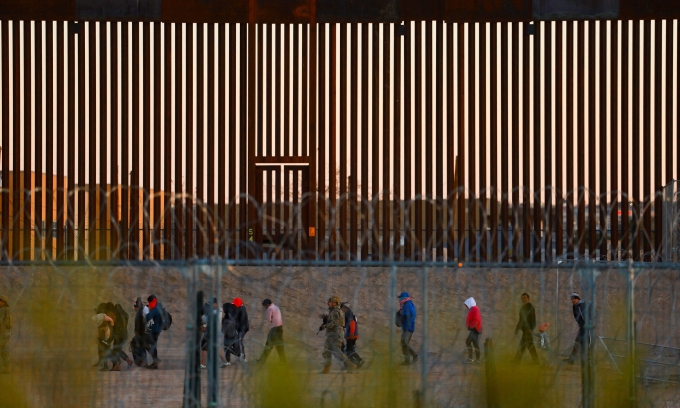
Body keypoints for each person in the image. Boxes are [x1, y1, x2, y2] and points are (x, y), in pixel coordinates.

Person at [319, 296, 356, 374]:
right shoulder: (334, 311)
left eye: (330, 302)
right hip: (332, 334)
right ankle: (326, 368)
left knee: (337, 352)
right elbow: (331, 321)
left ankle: (350, 365)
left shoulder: (336, 311)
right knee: (327, 350)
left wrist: (324, 326)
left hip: (336, 334)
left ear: (335, 303)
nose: (329, 304)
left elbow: (334, 323)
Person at [563, 293, 592, 365]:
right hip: (582, 327)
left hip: (586, 327)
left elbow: (585, 315)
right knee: (577, 342)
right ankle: (572, 359)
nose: (572, 300)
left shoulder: (581, 305)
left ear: (577, 298)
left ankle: (588, 360)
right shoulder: (575, 306)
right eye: (571, 299)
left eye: (574, 299)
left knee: (587, 343)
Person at [255, 299, 286, 364]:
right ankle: (283, 361)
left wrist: (272, 321)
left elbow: (269, 319)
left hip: (274, 329)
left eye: (265, 306)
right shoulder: (276, 307)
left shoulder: (270, 308)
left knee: (268, 345)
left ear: (268, 304)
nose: (265, 308)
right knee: (280, 346)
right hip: (280, 328)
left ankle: (262, 360)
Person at [514, 293, 539, 365]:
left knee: (528, 346)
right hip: (525, 329)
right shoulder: (522, 308)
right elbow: (521, 319)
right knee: (523, 345)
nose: (523, 299)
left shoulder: (530, 307)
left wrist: (530, 329)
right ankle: (517, 360)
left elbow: (533, 320)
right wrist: (517, 328)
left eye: (525, 298)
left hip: (528, 330)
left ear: (528, 299)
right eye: (522, 298)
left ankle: (536, 362)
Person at [109, 304, 133, 371]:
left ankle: (118, 365)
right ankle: (126, 361)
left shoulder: (117, 315)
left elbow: (116, 327)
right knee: (117, 349)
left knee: (116, 349)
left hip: (118, 335)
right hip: (125, 334)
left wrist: (112, 337)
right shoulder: (125, 314)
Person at [340, 302, 364, 368]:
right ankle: (358, 362)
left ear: (345, 308)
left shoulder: (349, 314)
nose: (341, 310)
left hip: (351, 336)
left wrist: (352, 332)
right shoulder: (348, 314)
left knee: (349, 351)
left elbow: (352, 323)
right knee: (350, 351)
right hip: (351, 335)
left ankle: (360, 360)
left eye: (342, 308)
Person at [144, 294, 164, 369]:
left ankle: (155, 359)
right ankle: (155, 364)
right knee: (153, 345)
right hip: (156, 329)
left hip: (155, 330)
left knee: (146, 344)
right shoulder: (158, 307)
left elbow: (147, 317)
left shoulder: (156, 308)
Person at [398, 292, 418, 366]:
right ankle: (406, 360)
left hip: (409, 328)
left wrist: (402, 314)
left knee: (405, 342)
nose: (399, 299)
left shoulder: (408, 304)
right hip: (406, 327)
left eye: (400, 297)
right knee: (403, 343)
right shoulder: (406, 304)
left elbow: (412, 313)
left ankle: (415, 355)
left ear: (404, 298)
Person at [131, 298, 152, 367]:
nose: (134, 308)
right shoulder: (141, 312)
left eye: (135, 307)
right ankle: (142, 361)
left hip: (141, 334)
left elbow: (141, 324)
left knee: (140, 347)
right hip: (141, 333)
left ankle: (143, 361)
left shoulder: (140, 313)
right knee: (140, 346)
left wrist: (139, 332)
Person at [464, 297, 483, 364]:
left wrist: (471, 326)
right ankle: (476, 359)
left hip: (475, 329)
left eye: (466, 305)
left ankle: (471, 358)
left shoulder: (475, 309)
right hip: (474, 329)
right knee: (475, 343)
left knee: (468, 341)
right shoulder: (472, 309)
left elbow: (476, 319)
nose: (466, 306)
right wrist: (468, 326)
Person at [233, 297, 249, 362]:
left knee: (239, 342)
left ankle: (243, 357)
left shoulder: (242, 309)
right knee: (237, 342)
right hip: (241, 328)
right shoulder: (240, 308)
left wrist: (236, 328)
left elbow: (241, 320)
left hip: (242, 328)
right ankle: (240, 356)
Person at [0, 295, 11, 374]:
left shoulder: (2, 310)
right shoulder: (7, 309)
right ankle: (6, 368)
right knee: (4, 350)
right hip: (7, 334)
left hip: (2, 334)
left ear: (2, 302)